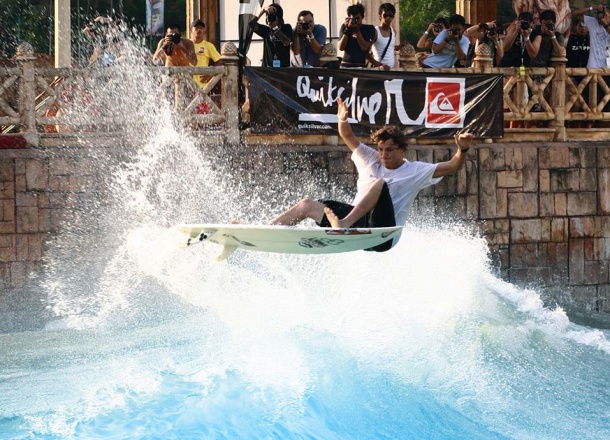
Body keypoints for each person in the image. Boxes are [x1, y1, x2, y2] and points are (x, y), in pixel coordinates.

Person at [269, 98, 474, 252]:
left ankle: (343, 224)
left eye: (390, 150)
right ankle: (265, 230)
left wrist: (462, 150)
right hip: (357, 228)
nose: (384, 155)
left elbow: (453, 166)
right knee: (307, 204)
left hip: (383, 236)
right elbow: (347, 135)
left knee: (379, 184)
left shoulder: (415, 170)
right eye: (381, 149)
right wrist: (342, 119)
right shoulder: (370, 157)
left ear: (402, 149)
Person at [339, 3, 376, 68]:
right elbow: (341, 47)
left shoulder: (369, 29)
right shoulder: (345, 27)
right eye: (353, 19)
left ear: (362, 17)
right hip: (345, 65)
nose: (355, 21)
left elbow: (364, 48)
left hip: (360, 66)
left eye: (357, 18)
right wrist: (347, 30)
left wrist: (357, 31)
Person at [572, 4, 610, 68]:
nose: (601, 16)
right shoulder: (593, 22)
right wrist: (593, 8)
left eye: (604, 14)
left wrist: (605, 25)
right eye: (600, 13)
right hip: (592, 67)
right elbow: (575, 14)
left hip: (607, 68)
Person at [190, 19, 222, 89]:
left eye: (201, 28)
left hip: (202, 85)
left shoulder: (208, 45)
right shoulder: (186, 44)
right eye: (196, 28)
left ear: (204, 31)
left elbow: (219, 61)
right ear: (191, 30)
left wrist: (211, 74)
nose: (199, 30)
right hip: (187, 83)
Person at [367, 3, 397, 70]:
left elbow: (389, 47)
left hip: (391, 70)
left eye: (390, 15)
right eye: (385, 15)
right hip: (378, 70)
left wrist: (399, 46)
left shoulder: (394, 31)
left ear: (393, 17)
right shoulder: (375, 32)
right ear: (380, 16)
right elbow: (366, 52)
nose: (388, 18)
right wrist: (379, 65)